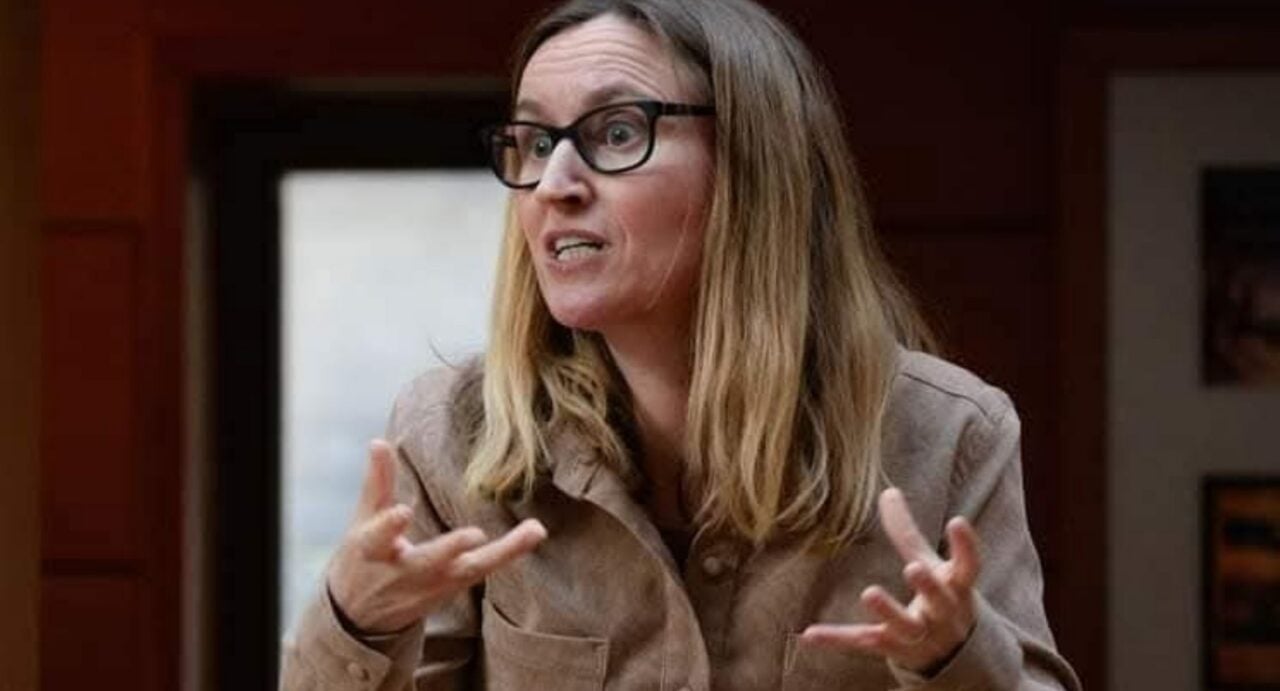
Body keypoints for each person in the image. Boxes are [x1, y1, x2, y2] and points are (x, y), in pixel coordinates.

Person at [280, 0, 1082, 688]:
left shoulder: (950, 435)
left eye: (617, 130)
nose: (555, 182)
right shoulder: (451, 434)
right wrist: (355, 619)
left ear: (751, 166)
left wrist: (953, 658)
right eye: (532, 141)